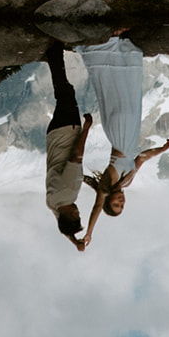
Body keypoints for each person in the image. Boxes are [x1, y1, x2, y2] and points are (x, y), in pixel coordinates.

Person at [77, 36, 169, 236]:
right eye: (122, 206)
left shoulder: (106, 186)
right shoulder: (127, 182)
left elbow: (96, 209)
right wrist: (161, 150)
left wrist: (89, 233)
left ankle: (107, 48)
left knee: (117, 92)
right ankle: (122, 49)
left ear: (107, 201)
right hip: (130, 132)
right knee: (129, 90)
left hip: (119, 133)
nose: (120, 202)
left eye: (115, 204)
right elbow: (141, 158)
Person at [43, 43, 94, 248]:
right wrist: (74, 241)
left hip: (67, 131)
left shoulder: (69, 192)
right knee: (63, 93)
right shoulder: (53, 202)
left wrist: (87, 128)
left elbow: (76, 156)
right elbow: (61, 223)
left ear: (71, 215)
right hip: (54, 134)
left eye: (77, 216)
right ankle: (53, 55)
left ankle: (53, 52)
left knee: (65, 92)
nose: (78, 212)